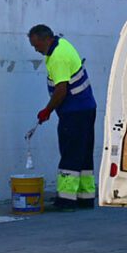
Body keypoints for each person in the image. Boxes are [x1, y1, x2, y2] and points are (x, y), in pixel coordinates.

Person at [28, 24, 97, 210]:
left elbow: (61, 91)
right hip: (86, 108)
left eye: (36, 45)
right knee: (83, 153)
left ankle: (66, 200)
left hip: (74, 112)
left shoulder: (57, 57)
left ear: (46, 39)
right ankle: (85, 197)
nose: (36, 49)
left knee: (70, 153)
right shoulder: (62, 44)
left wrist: (47, 111)